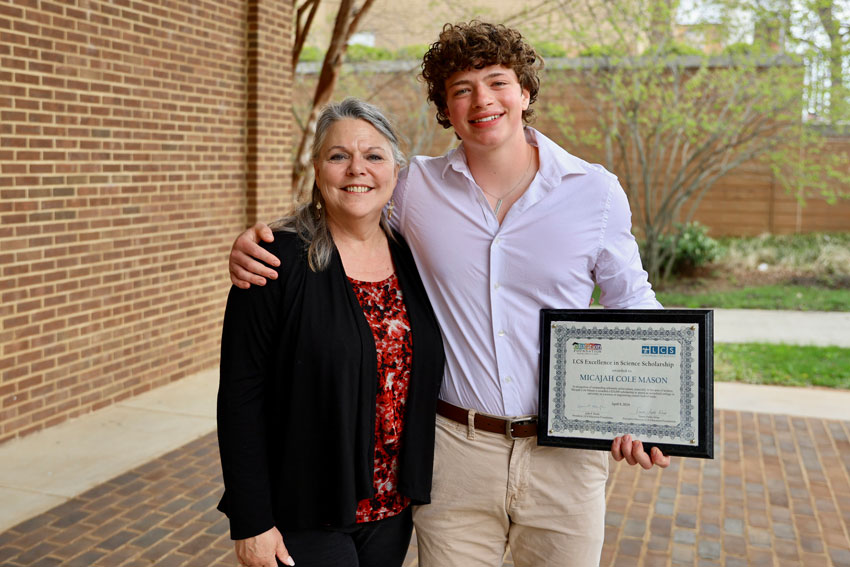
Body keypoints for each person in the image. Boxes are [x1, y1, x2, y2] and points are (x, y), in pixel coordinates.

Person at [228, 22, 670, 567]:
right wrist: (261, 238)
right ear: (446, 109)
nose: (482, 99)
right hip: (455, 452)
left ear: (525, 92)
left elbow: (634, 304)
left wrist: (647, 409)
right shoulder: (416, 188)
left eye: (497, 81)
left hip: (567, 457)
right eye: (462, 89)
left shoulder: (595, 191)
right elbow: (348, 203)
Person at [217, 98, 445, 567]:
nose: (356, 169)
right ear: (318, 169)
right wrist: (252, 519)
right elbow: (240, 396)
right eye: (339, 156)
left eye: (374, 156)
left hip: (391, 508)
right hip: (306, 513)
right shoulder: (274, 260)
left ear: (396, 171)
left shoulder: (413, 254)